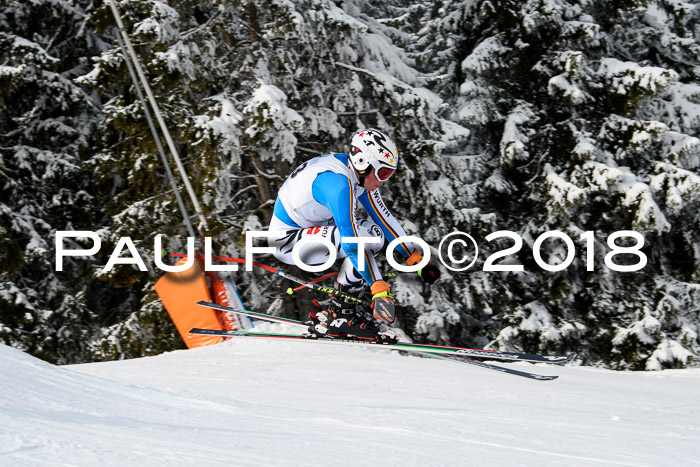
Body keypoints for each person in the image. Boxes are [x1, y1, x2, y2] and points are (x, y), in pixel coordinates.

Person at [268, 129, 440, 341]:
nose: (384, 180)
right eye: (383, 173)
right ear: (362, 162)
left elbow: (384, 219)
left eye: (389, 174)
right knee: (366, 237)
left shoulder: (358, 175)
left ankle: (339, 312)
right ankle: (341, 315)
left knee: (373, 233)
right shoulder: (338, 184)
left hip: (309, 232)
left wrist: (415, 259)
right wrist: (378, 287)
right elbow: (351, 242)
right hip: (288, 241)